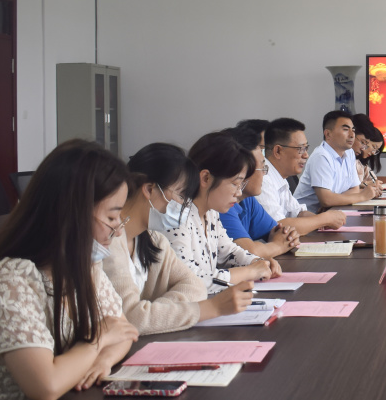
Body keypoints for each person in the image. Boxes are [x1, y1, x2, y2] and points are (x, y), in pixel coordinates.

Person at [0, 140, 140, 398]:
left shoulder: (86, 268)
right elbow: (45, 386)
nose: (117, 231)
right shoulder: (8, 281)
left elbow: (123, 332)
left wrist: (103, 360)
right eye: (111, 217)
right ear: (72, 212)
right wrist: (98, 340)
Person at [102, 143, 254, 335]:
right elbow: (132, 318)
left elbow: (195, 286)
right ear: (149, 189)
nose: (184, 205)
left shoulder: (155, 240)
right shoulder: (108, 242)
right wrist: (210, 308)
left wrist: (154, 314)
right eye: (181, 195)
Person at [167, 131, 276, 295]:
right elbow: (191, 280)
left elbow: (229, 252)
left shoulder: (210, 213)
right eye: (235, 184)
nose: (239, 193)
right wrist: (250, 271)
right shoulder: (175, 217)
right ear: (206, 178)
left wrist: (259, 262)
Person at [218, 123, 301, 258]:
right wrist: (278, 246)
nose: (265, 174)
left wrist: (288, 237)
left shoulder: (248, 200)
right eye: (262, 167)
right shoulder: (222, 206)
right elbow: (249, 253)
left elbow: (279, 233)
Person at [259, 117, 347, 234]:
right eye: (300, 149)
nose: (306, 155)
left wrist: (327, 220)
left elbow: (298, 213)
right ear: (278, 151)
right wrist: (324, 219)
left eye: (306, 148)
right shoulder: (262, 179)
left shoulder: (281, 177)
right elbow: (279, 227)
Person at [293, 110, 382, 210]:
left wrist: (335, 199)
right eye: (345, 129)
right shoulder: (321, 156)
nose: (352, 135)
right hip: (307, 215)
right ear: (328, 134)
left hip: (331, 211)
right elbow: (326, 200)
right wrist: (362, 196)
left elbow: (354, 189)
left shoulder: (349, 153)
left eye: (353, 130)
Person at [350, 113, 384, 186]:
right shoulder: (345, 159)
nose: (373, 153)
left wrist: (375, 184)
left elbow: (374, 181)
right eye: (374, 147)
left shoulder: (361, 164)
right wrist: (364, 185)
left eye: (376, 150)